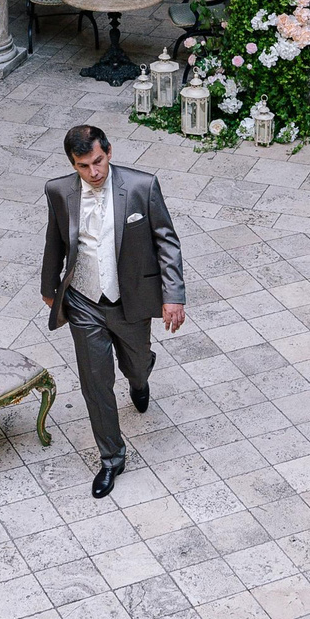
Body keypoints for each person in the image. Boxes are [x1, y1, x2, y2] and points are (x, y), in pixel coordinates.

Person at [41, 124, 185, 497]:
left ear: (109, 151)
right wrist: (49, 287)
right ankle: (111, 458)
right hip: (83, 301)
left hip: (130, 299)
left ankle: (140, 378)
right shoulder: (58, 192)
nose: (93, 172)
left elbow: (167, 242)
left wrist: (174, 295)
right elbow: (54, 238)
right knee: (96, 384)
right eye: (83, 165)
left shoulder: (142, 187)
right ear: (73, 164)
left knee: (135, 360)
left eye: (98, 161)